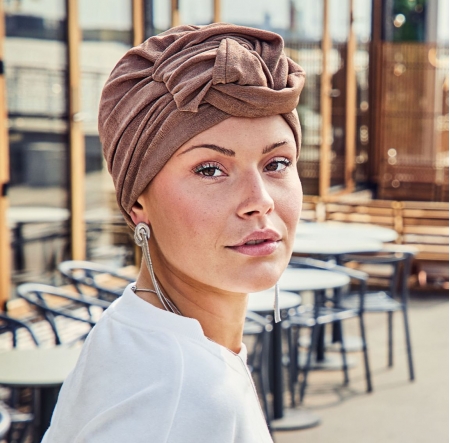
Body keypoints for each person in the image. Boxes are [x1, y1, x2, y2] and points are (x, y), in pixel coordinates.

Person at [42, 23, 305, 443]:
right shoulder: (181, 396)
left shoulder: (138, 331)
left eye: (277, 164)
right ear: (137, 203)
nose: (259, 200)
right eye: (210, 169)